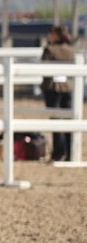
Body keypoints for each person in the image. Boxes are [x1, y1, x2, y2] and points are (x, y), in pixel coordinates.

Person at [40, 25, 76, 162]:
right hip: (67, 86)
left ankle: (58, 152)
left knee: (56, 120)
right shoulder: (71, 50)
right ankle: (69, 153)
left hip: (52, 87)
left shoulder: (50, 49)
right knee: (69, 120)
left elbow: (43, 67)